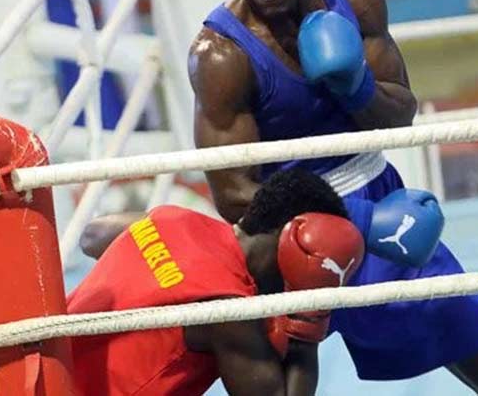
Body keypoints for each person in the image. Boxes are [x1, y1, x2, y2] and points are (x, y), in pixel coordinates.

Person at [188, 0, 478, 394]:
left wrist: (353, 85)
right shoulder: (221, 55)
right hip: (283, 236)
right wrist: (360, 219)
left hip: (378, 198)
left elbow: (401, 111)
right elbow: (233, 194)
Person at [68, 168, 375, 395]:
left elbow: (91, 236)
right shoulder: (227, 307)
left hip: (39, 369)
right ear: (293, 239)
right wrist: (309, 322)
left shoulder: (172, 219)